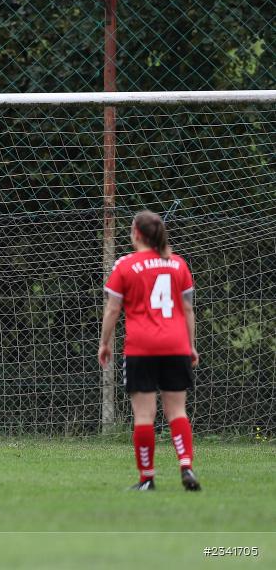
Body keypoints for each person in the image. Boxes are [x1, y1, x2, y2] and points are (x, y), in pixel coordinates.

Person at [99, 210, 201, 492]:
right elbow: (188, 308)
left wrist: (104, 342)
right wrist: (191, 345)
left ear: (136, 234)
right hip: (176, 345)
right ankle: (186, 465)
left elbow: (113, 308)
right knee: (177, 411)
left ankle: (147, 478)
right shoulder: (178, 264)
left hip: (141, 347)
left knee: (144, 415)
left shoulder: (125, 265)